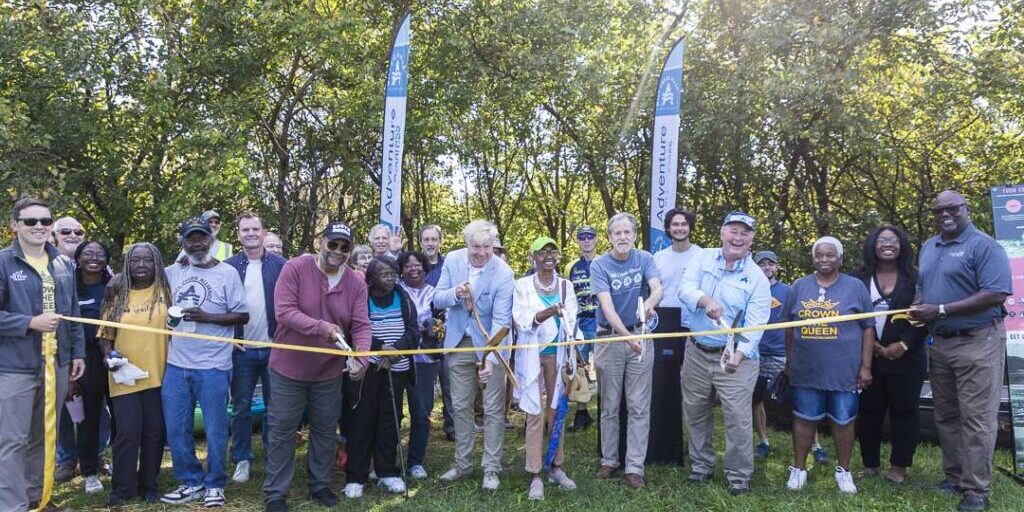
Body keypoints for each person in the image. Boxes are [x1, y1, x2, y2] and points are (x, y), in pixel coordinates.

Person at [909, 190, 1012, 512]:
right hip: (941, 343)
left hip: (978, 341)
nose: (945, 214)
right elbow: (923, 286)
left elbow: (996, 293)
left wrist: (940, 310)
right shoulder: (930, 245)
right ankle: (953, 477)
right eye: (938, 210)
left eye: (952, 208)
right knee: (947, 414)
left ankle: (976, 490)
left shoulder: (984, 245)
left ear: (966, 208)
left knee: (977, 419)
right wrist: (918, 305)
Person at [261, 221, 371, 512]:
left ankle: (320, 485)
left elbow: (361, 325)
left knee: (324, 429)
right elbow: (284, 312)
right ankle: (275, 492)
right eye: (333, 244)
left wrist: (361, 359)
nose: (338, 251)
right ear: (321, 242)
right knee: (282, 429)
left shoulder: (356, 283)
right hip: (288, 368)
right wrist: (321, 327)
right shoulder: (295, 268)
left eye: (345, 247)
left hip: (328, 371)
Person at [0, 197, 85, 511]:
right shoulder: (3, 262)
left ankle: (37, 498)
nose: (39, 227)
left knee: (44, 435)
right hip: (15, 367)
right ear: (15, 225)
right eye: (30, 221)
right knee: (12, 441)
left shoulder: (62, 263)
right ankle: (12, 505)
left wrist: (77, 353)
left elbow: (72, 312)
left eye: (45, 221)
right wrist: (29, 323)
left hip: (56, 364)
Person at [679, 211, 770, 496]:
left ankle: (738, 476)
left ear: (751, 239)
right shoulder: (702, 257)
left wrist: (738, 356)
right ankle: (701, 466)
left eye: (744, 233)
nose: (738, 238)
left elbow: (755, 325)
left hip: (736, 358)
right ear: (722, 233)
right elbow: (685, 289)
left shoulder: (757, 278)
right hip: (696, 351)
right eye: (733, 231)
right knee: (695, 410)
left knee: (738, 418)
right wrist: (705, 300)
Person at [161, 216, 249, 507]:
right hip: (177, 362)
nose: (197, 243)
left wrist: (207, 317)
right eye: (191, 238)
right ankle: (191, 481)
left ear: (211, 239)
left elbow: (242, 315)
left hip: (214, 365)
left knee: (215, 429)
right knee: (176, 427)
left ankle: (215, 483)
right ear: (183, 242)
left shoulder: (227, 273)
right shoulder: (172, 271)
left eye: (202, 237)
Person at [781, 236, 874, 494]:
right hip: (806, 369)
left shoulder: (855, 287)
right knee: (803, 418)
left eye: (830, 255)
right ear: (813, 258)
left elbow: (868, 327)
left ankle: (843, 471)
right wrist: (790, 361)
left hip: (844, 371)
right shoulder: (799, 286)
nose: (824, 259)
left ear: (840, 259)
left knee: (844, 420)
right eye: (819, 254)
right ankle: (799, 469)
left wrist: (866, 366)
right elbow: (788, 328)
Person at [434, 220, 515, 491]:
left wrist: (490, 360)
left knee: (493, 409)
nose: (481, 252)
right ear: (466, 243)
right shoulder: (453, 260)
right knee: (460, 407)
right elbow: (437, 298)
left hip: (491, 344)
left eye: (486, 247)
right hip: (459, 343)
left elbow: (501, 321)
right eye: (475, 247)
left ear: (494, 246)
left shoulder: (503, 273)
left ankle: (491, 468)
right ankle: (462, 464)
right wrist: (456, 293)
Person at [591, 212, 663, 489]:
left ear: (634, 235)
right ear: (609, 237)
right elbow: (607, 308)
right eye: (617, 233)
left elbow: (657, 289)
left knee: (639, 406)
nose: (622, 237)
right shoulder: (599, 264)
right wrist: (626, 337)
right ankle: (609, 461)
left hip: (640, 336)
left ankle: (634, 467)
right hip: (610, 339)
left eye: (627, 232)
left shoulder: (644, 258)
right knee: (609, 405)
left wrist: (650, 303)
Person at [97, 243, 172, 507]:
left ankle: (149, 485)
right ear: (127, 264)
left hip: (160, 374)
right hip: (125, 375)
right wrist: (107, 356)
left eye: (147, 260)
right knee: (127, 433)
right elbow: (105, 334)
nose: (141, 265)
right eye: (135, 260)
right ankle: (122, 489)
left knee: (154, 433)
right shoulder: (117, 294)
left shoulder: (166, 289)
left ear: (157, 263)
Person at [853, 226, 928, 484]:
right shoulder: (858, 278)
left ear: (902, 245)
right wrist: (871, 345)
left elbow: (924, 315)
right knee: (868, 412)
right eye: (882, 240)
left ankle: (899, 467)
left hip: (907, 359)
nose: (888, 244)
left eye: (893, 240)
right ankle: (870, 464)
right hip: (868, 358)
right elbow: (850, 315)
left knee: (905, 413)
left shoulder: (916, 277)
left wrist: (904, 344)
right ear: (872, 245)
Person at [343, 257, 418, 498]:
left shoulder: (403, 297)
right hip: (368, 368)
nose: (391, 278)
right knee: (361, 420)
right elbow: (353, 330)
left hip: (397, 368)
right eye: (385, 274)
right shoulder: (362, 297)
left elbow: (413, 331)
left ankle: (387, 472)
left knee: (389, 420)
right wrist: (381, 348)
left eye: (393, 273)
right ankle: (356, 476)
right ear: (372, 278)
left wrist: (396, 351)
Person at [512, 236, 580, 500]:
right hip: (531, 356)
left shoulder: (565, 286)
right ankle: (535, 474)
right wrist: (548, 312)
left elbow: (571, 320)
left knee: (557, 411)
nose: (548, 256)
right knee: (535, 413)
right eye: (542, 252)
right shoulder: (522, 286)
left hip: (558, 357)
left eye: (553, 251)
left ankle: (556, 466)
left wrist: (574, 350)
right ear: (533, 257)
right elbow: (522, 320)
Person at [224, 212, 287, 483]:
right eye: (245, 230)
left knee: (276, 407)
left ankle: (274, 458)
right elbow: (220, 307)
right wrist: (230, 336)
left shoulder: (282, 266)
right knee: (241, 407)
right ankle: (242, 459)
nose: (250, 233)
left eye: (255, 229)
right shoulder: (227, 268)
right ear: (238, 234)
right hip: (241, 350)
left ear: (263, 232)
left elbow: (291, 305)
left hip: (275, 348)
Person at [51, 216, 112, 482]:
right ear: (54, 236)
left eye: (79, 231)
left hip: (105, 356)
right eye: (66, 231)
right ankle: (67, 459)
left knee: (100, 411)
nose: (73, 235)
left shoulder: (110, 278)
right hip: (70, 353)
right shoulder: (52, 267)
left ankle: (97, 455)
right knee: (67, 406)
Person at [650, 207, 701, 464]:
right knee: (666, 387)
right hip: (666, 327)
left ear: (690, 227)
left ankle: (695, 446)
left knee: (692, 388)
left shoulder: (702, 256)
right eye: (675, 224)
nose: (679, 228)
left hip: (694, 327)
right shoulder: (658, 258)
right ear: (668, 229)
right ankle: (667, 442)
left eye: (683, 224)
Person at [70, 240, 114, 495]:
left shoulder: (114, 286)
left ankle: (120, 462)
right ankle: (89, 472)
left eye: (100, 254)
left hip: (116, 357)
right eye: (88, 253)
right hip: (85, 360)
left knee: (122, 415)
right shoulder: (69, 288)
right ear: (78, 258)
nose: (94, 258)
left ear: (107, 260)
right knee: (88, 418)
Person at [398, 251, 442, 479]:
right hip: (397, 358)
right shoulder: (396, 291)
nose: (413, 269)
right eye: (408, 265)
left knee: (422, 411)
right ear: (401, 269)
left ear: (425, 268)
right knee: (391, 411)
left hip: (425, 359)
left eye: (417, 265)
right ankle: (387, 460)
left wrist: (435, 328)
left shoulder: (435, 293)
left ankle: (415, 462)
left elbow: (445, 322)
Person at [751, 250, 788, 459]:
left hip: (781, 354)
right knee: (756, 399)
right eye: (761, 264)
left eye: (770, 263)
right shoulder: (750, 289)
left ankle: (815, 446)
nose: (766, 267)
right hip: (755, 352)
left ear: (777, 266)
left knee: (797, 399)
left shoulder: (788, 291)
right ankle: (763, 441)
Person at [565, 225, 599, 432]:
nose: (586, 240)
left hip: (601, 322)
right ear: (577, 241)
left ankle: (606, 410)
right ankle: (582, 413)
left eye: (590, 237)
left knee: (604, 367)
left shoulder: (604, 262)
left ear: (596, 240)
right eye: (582, 237)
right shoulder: (571, 267)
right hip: (580, 322)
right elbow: (567, 295)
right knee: (580, 368)